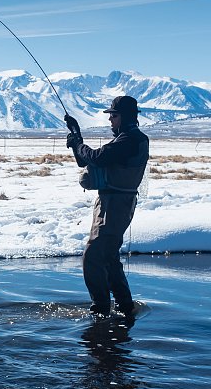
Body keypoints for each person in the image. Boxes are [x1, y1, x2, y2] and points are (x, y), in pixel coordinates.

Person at [64, 95, 150, 320]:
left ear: (125, 117)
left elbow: (97, 157)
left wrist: (78, 141)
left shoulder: (131, 139)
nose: (110, 120)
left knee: (93, 256)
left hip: (116, 205)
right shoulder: (125, 139)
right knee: (109, 257)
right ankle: (124, 307)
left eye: (113, 115)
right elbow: (86, 161)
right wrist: (77, 138)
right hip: (110, 203)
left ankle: (100, 311)